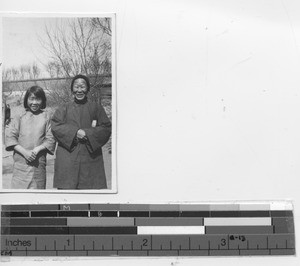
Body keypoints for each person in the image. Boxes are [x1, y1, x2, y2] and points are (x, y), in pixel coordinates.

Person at [51, 74, 111, 189]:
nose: (79, 90)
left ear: (87, 89)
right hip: (68, 158)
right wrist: (75, 132)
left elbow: (106, 127)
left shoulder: (96, 108)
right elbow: (55, 126)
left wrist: (88, 134)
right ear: (72, 89)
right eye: (76, 87)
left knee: (89, 197)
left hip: (90, 158)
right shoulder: (64, 108)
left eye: (82, 87)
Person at [5, 86, 56, 189]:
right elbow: (10, 137)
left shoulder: (46, 117)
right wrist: (25, 153)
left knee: (37, 198)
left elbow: (51, 138)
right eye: (31, 99)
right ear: (26, 99)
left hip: (38, 166)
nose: (34, 102)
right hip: (21, 167)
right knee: (20, 199)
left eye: (38, 99)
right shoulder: (19, 116)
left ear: (42, 100)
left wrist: (37, 149)